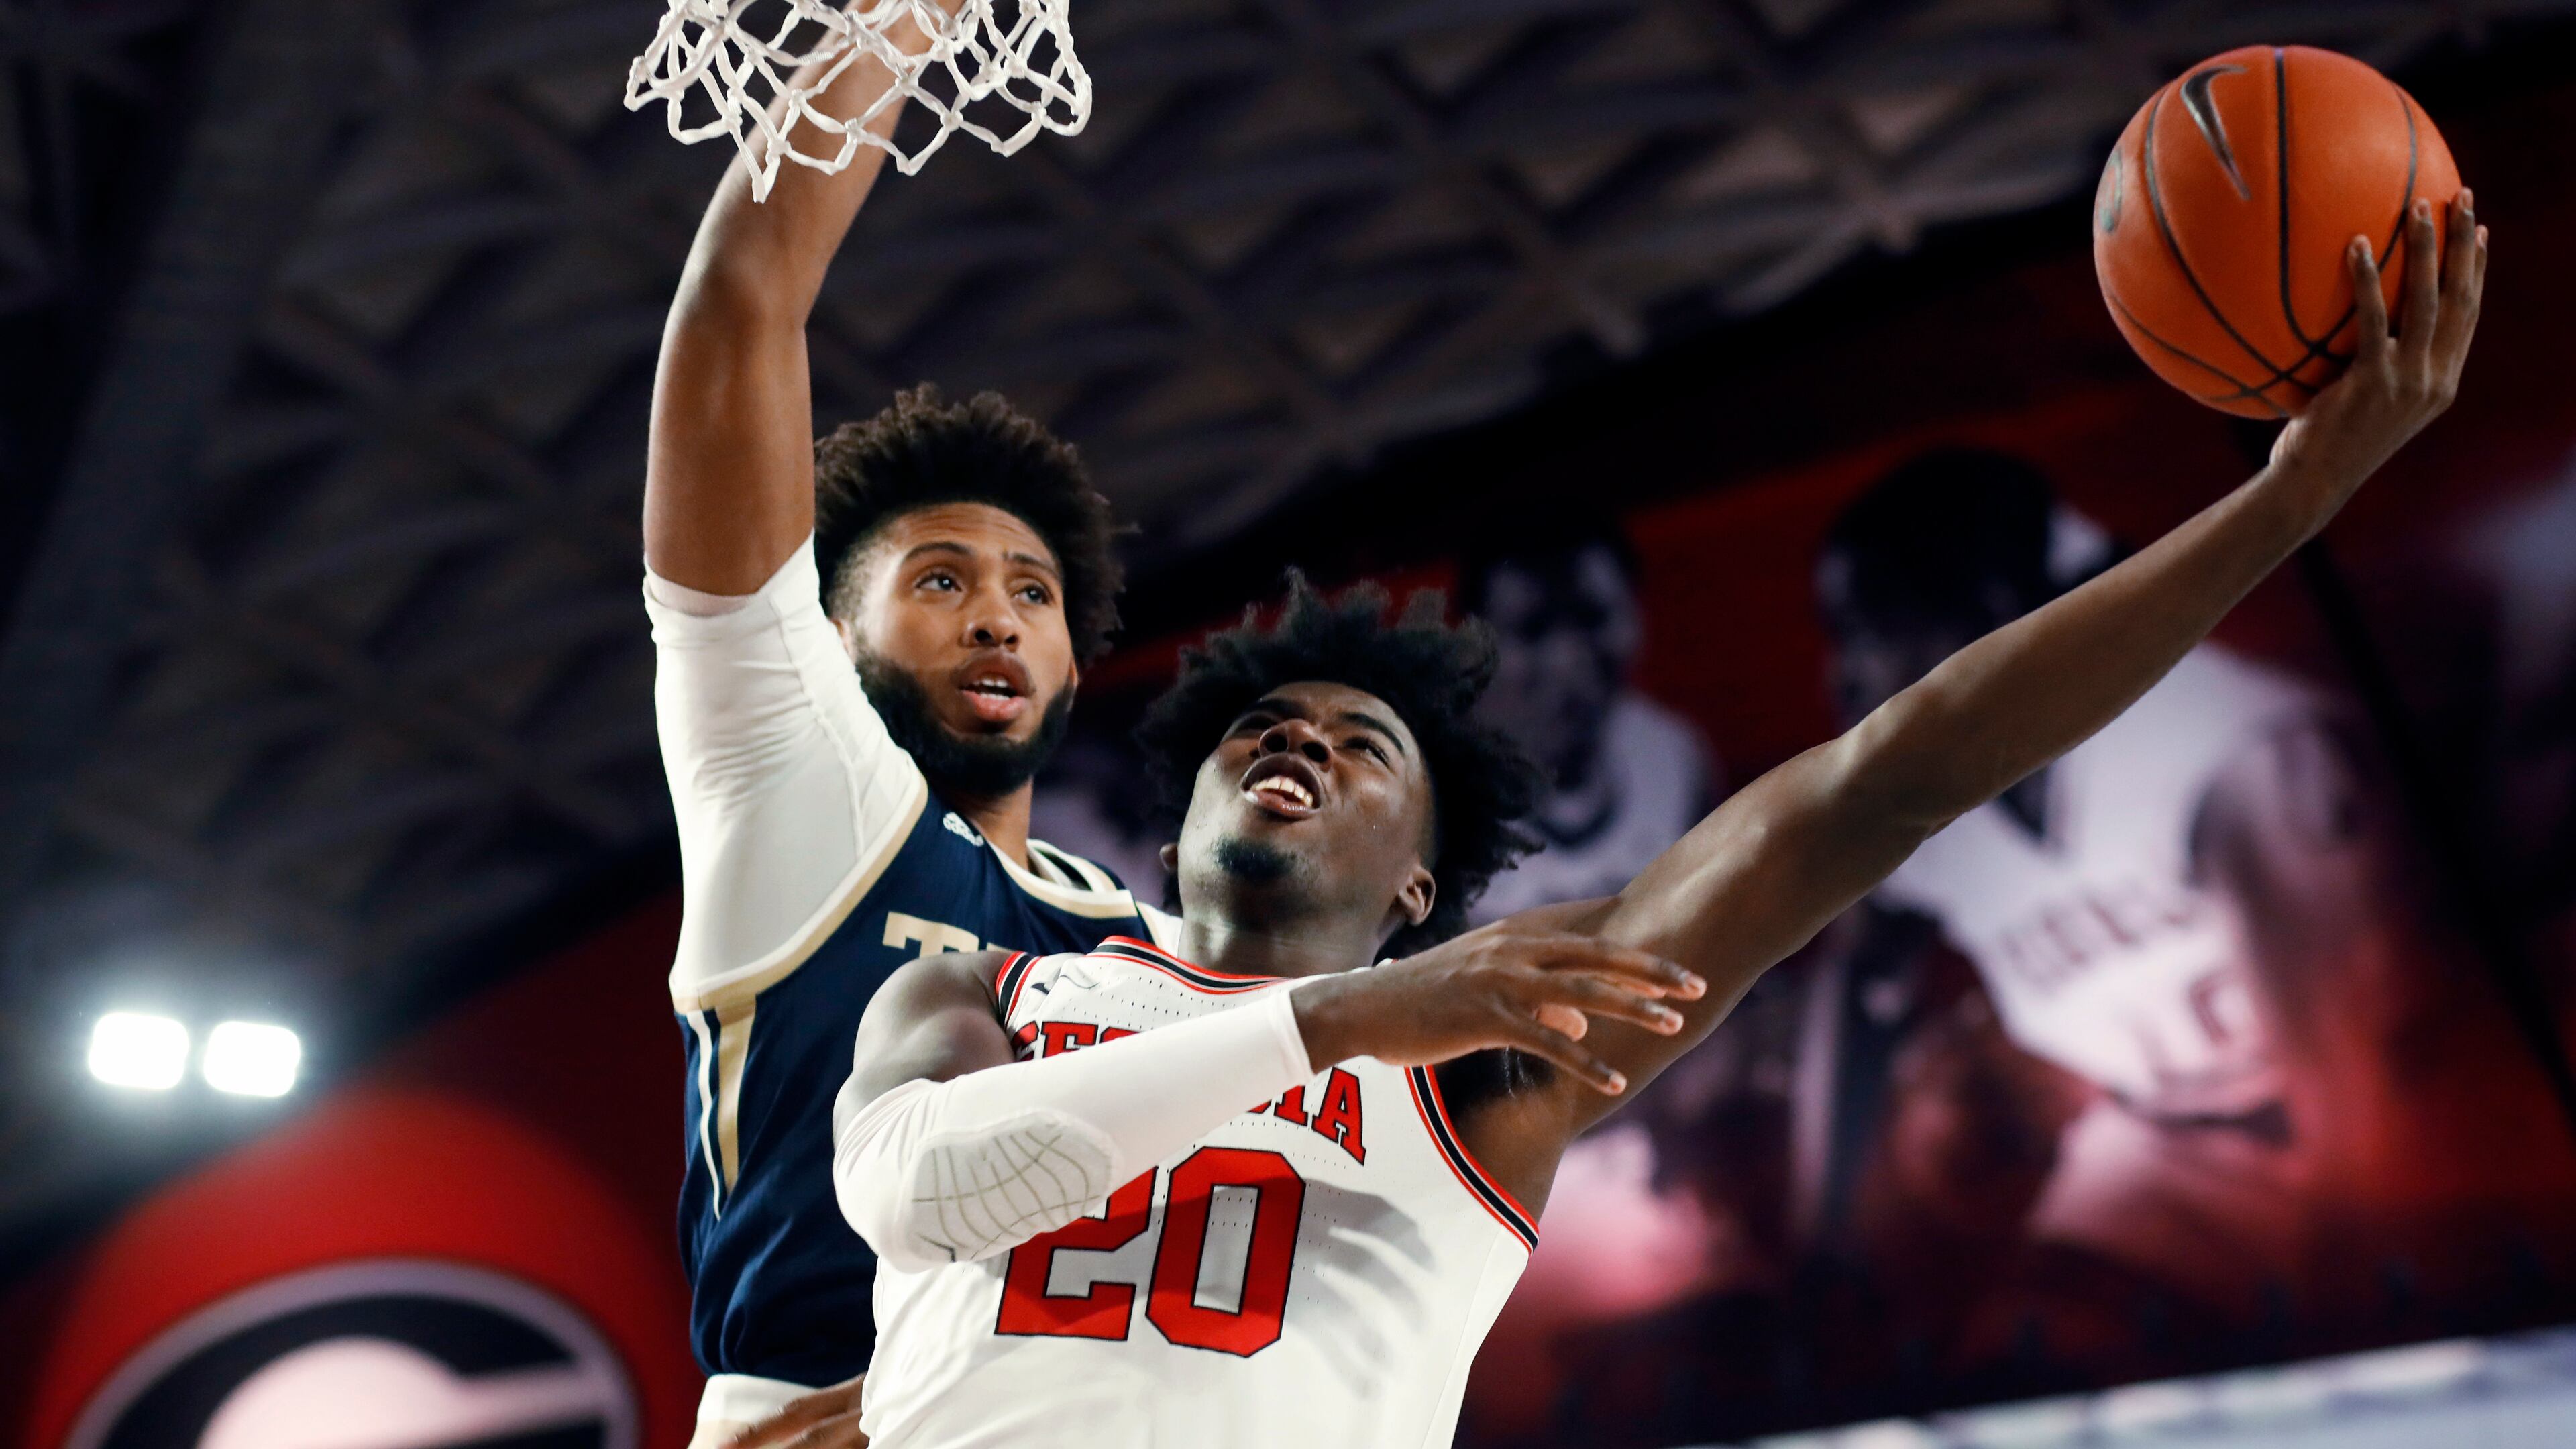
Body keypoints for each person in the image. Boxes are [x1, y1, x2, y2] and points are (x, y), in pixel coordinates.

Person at [774, 202, 2483, 1447]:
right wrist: (1340, 1019)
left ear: (1420, 880)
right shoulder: (986, 999)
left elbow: (1881, 778)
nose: (1292, 744)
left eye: (1358, 744)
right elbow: (919, 1190)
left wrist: (2285, 503)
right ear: (1182, 810)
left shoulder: (1481, 1075)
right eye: (1263, 730)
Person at [642, 13, 1169, 1444]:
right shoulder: (801, 789)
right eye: (941, 583)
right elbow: (743, 308)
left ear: (1072, 660)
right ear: (831, 637)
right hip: (796, 1416)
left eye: (1032, 593)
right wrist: (901, 27)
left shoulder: (1145, 938)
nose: (996, 619)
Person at [1804, 449, 2394, 1319]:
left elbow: (2353, 1088)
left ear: (1992, 612)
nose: (1843, 672)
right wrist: (1825, 1227)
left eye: (1871, 626)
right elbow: (1858, 978)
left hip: (2367, 1123)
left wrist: (2368, 1289)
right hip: (2161, 1136)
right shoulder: (1930, 804)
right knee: (2031, 1359)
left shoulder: (2216, 745)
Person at [1464, 522, 1720, 923]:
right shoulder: (1432, 797)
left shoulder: (1675, 757)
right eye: (1533, 630)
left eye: (1593, 618)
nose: (1568, 662)